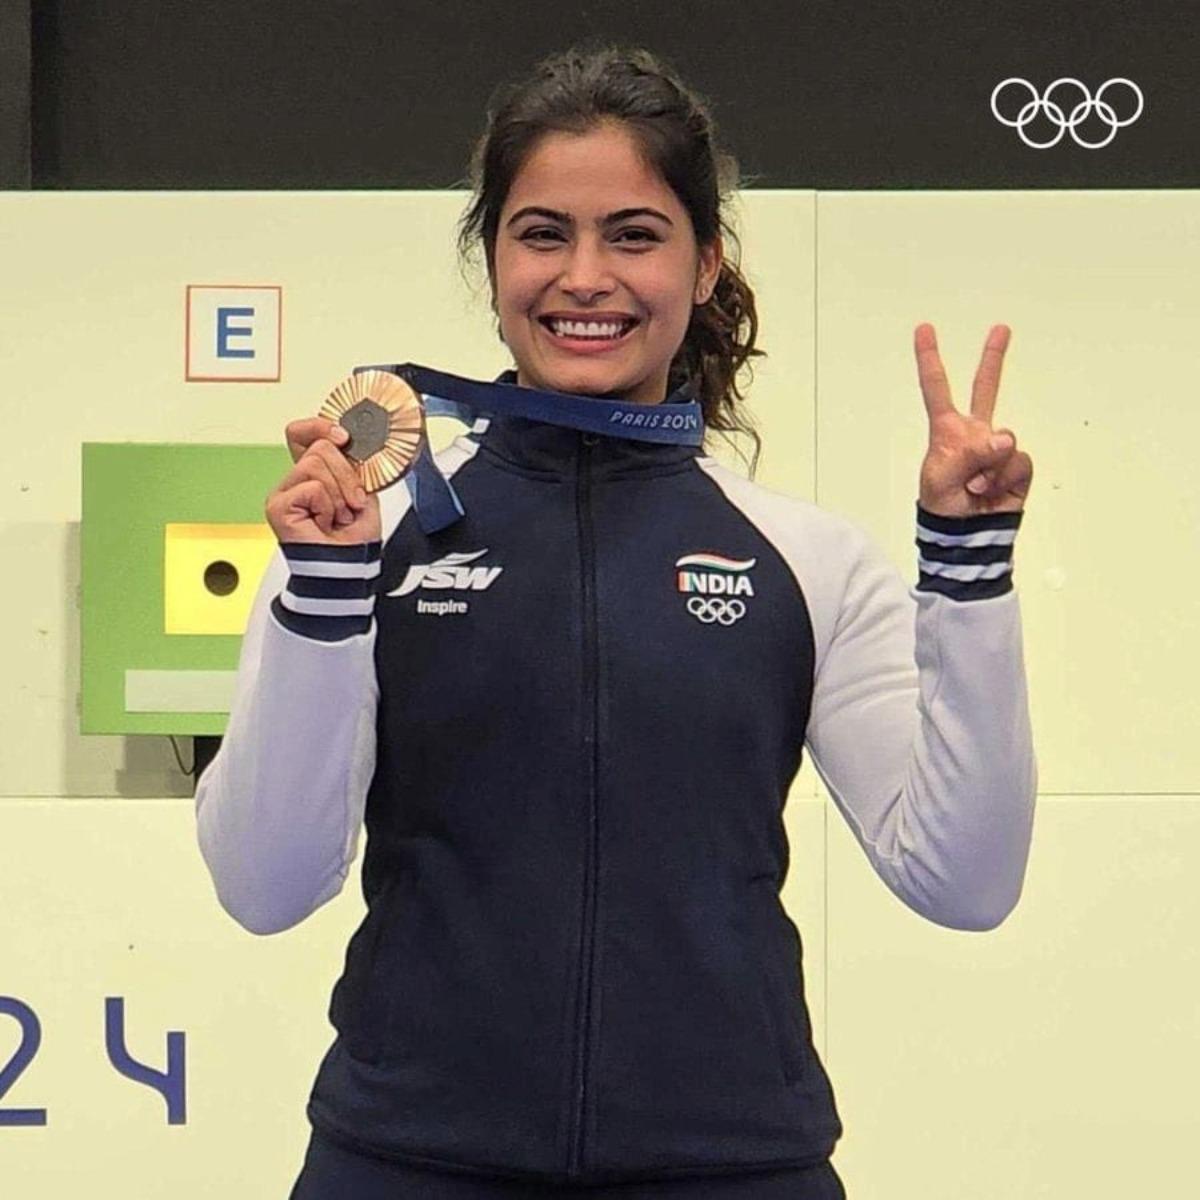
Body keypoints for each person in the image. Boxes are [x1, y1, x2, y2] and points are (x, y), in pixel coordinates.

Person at [194, 43, 1036, 1199]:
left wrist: (969, 571)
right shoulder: (371, 537)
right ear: (491, 263)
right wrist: (322, 602)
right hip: (407, 1160)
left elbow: (966, 880)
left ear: (704, 268)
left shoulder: (807, 560)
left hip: (733, 1164)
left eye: (634, 234)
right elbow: (264, 885)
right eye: (543, 233)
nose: (584, 275)